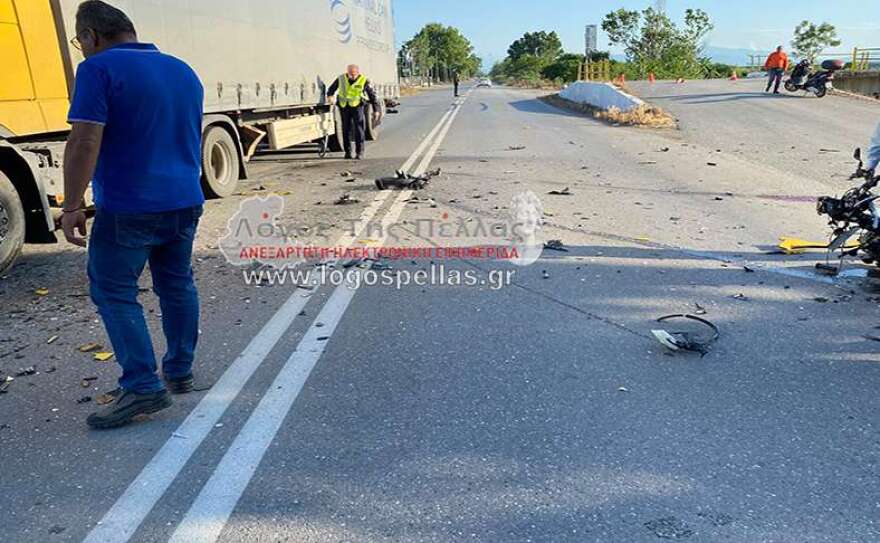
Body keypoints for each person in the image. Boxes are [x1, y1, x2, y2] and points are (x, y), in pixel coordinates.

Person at [61, 0, 205, 429]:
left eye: (79, 41)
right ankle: (179, 371)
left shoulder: (97, 69)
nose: (82, 49)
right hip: (184, 197)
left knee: (114, 290)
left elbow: (85, 140)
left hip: (129, 205)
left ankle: (142, 386)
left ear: (91, 36)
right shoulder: (183, 70)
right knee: (177, 284)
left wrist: (71, 205)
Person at [327, 64, 381, 160]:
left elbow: (372, 95)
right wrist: (330, 97)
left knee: (359, 129)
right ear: (347, 72)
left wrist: (376, 110)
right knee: (345, 130)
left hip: (357, 107)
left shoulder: (363, 80)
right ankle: (348, 153)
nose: (352, 76)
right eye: (350, 74)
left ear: (358, 72)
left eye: (354, 74)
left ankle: (359, 152)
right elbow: (331, 89)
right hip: (344, 107)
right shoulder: (341, 79)